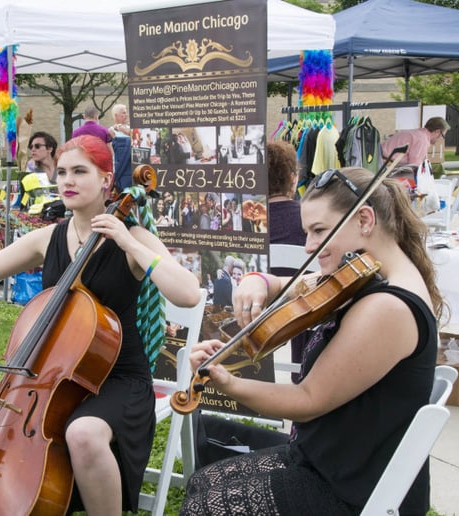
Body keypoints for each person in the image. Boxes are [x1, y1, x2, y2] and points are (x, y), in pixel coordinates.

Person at [0, 135, 201, 514]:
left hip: (116, 377)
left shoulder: (133, 236)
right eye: (63, 171)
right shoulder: (49, 237)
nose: (67, 180)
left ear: (106, 179)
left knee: (83, 433)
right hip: (46, 373)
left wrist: (129, 242)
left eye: (80, 172)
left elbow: (187, 293)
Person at [180, 167, 445, 515]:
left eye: (319, 231)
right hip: (334, 456)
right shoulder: (368, 272)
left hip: (350, 486)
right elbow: (292, 285)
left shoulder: (388, 307)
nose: (308, 246)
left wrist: (229, 383)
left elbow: (308, 399)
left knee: (202, 507)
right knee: (202, 481)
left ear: (365, 219)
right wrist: (259, 279)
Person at [266, 140, 308, 381]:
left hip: (256, 308)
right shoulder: (310, 219)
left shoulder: (245, 222)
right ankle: (300, 372)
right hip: (300, 312)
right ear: (293, 178)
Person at [381, 116, 450, 168]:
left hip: (381, 158)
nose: (441, 139)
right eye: (442, 136)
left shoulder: (417, 133)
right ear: (437, 131)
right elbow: (414, 166)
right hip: (385, 164)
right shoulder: (422, 140)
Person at [109, 104, 133, 191]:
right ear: (116, 115)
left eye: (126, 113)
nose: (126, 115)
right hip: (120, 167)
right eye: (123, 113)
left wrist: (123, 129)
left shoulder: (130, 129)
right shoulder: (111, 130)